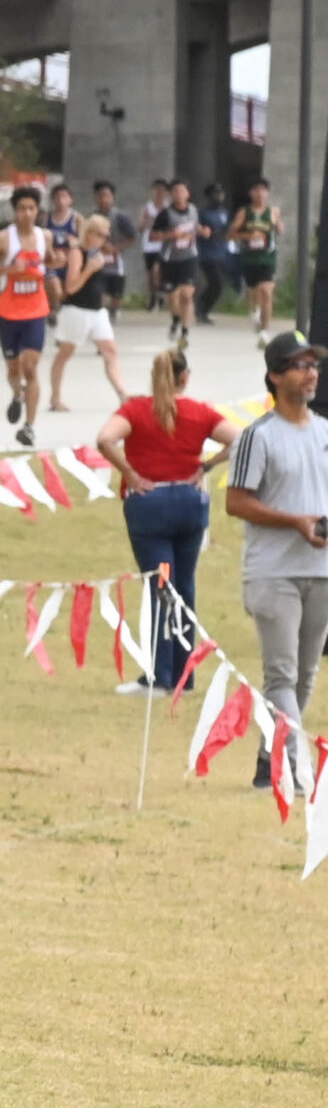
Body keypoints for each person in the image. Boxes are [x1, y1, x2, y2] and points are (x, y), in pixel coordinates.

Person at [98, 347, 239, 697]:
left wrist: (131, 473)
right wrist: (206, 465)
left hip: (151, 506)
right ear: (185, 377)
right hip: (189, 503)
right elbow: (240, 439)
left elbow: (104, 439)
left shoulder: (135, 411)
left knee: (161, 587)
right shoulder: (199, 412)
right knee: (184, 587)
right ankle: (183, 674)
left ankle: (159, 675)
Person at [225, 332, 328, 788]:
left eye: (313, 365)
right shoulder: (258, 436)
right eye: (300, 366)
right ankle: (298, 771)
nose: (311, 374)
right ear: (275, 376)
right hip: (273, 573)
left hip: (320, 570)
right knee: (281, 675)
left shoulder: (324, 432)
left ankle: (270, 762)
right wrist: (295, 522)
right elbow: (236, 501)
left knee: (304, 677)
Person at [0, 184, 52, 446]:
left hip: (36, 311)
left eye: (31, 208)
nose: (27, 213)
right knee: (14, 369)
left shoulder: (44, 237)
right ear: (14, 211)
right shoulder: (3, 239)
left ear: (38, 210)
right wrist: (8, 270)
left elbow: (50, 261)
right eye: (22, 208)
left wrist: (58, 262)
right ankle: (17, 395)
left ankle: (29, 427)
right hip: (8, 312)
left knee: (30, 367)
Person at [49, 214, 127, 411]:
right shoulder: (78, 253)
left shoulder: (97, 254)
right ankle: (55, 397)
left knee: (110, 350)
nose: (103, 240)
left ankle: (122, 393)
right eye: (100, 235)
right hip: (76, 309)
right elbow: (71, 287)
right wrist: (89, 270)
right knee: (66, 352)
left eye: (106, 236)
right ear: (89, 233)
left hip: (97, 310)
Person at [229, 176, 280, 343]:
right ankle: (254, 310)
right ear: (251, 193)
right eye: (256, 190)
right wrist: (249, 236)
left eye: (263, 190)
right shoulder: (244, 212)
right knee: (254, 291)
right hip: (250, 259)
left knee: (267, 291)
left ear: (267, 193)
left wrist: (278, 226)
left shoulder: (273, 211)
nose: (260, 194)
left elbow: (279, 229)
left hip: (268, 257)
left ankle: (264, 331)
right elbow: (231, 234)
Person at [154, 179, 201, 342]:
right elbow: (153, 236)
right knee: (173, 297)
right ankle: (175, 319)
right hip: (170, 259)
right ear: (171, 194)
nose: (179, 194)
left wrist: (202, 231)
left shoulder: (193, 210)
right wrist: (171, 235)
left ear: (188, 193)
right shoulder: (165, 214)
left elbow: (195, 227)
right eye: (175, 191)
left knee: (187, 295)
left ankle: (185, 331)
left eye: (182, 191)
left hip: (189, 257)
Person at [91, 179, 135, 322]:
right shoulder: (91, 218)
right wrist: (100, 246)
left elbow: (132, 238)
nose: (104, 199)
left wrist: (116, 248)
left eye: (107, 196)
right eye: (100, 196)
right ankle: (101, 316)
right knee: (99, 292)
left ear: (112, 197)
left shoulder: (120, 218)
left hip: (116, 263)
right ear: (96, 198)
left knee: (116, 294)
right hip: (98, 261)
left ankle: (114, 310)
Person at [196, 182, 235, 326]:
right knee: (216, 283)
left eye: (220, 194)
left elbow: (229, 230)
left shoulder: (225, 213)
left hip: (222, 253)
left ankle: (203, 310)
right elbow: (198, 231)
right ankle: (200, 308)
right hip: (207, 254)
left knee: (220, 285)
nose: (218, 197)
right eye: (215, 194)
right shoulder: (203, 214)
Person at [141, 178, 171, 308]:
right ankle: (153, 297)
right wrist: (147, 222)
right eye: (156, 190)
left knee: (157, 269)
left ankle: (160, 295)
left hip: (163, 244)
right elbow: (140, 226)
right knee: (150, 273)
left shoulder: (169, 207)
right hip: (149, 244)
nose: (159, 193)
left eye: (162, 190)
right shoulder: (147, 207)